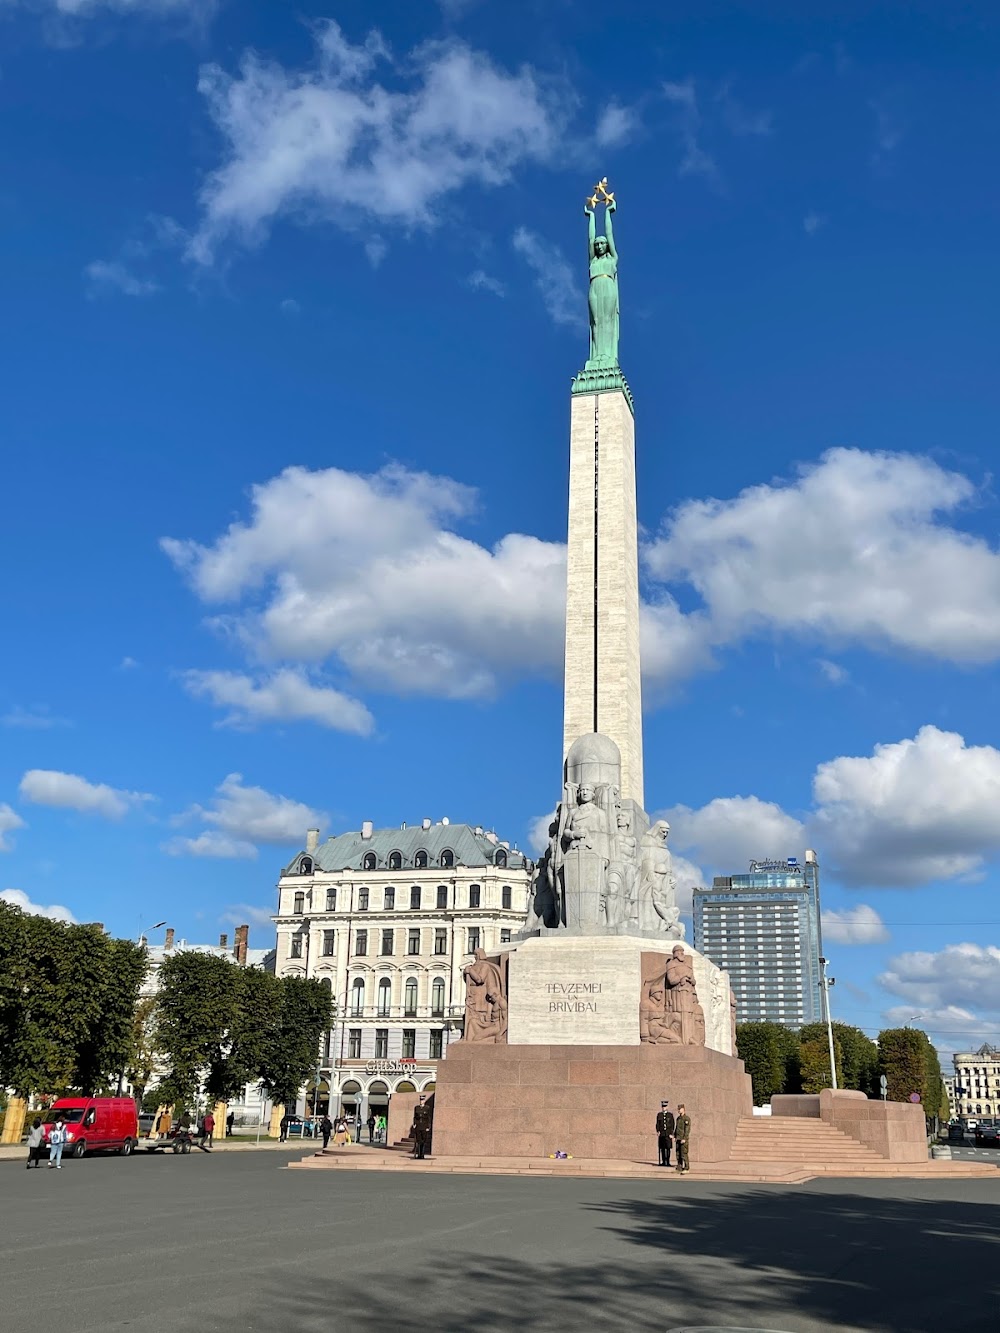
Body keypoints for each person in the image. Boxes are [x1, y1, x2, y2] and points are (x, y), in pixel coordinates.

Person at [655, 1101, 675, 1168]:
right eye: (663, 1107)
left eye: (665, 1107)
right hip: (662, 1134)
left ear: (667, 1107)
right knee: (662, 1148)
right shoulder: (659, 1115)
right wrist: (658, 1131)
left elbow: (672, 1124)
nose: (664, 1108)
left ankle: (668, 1162)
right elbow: (657, 1124)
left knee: (668, 1148)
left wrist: (672, 1133)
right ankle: (663, 1161)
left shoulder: (670, 1115)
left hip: (668, 1133)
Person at [411, 1096, 431, 1161]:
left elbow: (428, 1118)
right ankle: (419, 1154)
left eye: (422, 1100)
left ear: (424, 1101)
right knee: (419, 1141)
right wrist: (414, 1124)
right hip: (418, 1126)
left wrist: (428, 1126)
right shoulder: (416, 1108)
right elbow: (415, 1117)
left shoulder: (427, 1108)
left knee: (423, 1141)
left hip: (424, 1126)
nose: (421, 1101)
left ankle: (422, 1154)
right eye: (420, 1100)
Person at [674, 1103, 691, 1174]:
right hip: (678, 1138)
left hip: (683, 1139)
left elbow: (687, 1129)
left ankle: (687, 1168)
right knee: (678, 1154)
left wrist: (684, 1138)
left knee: (684, 1154)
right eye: (678, 1109)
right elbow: (676, 1128)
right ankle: (680, 1167)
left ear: (683, 1109)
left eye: (680, 1109)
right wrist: (674, 1136)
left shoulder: (686, 1119)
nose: (678, 1110)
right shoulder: (678, 1118)